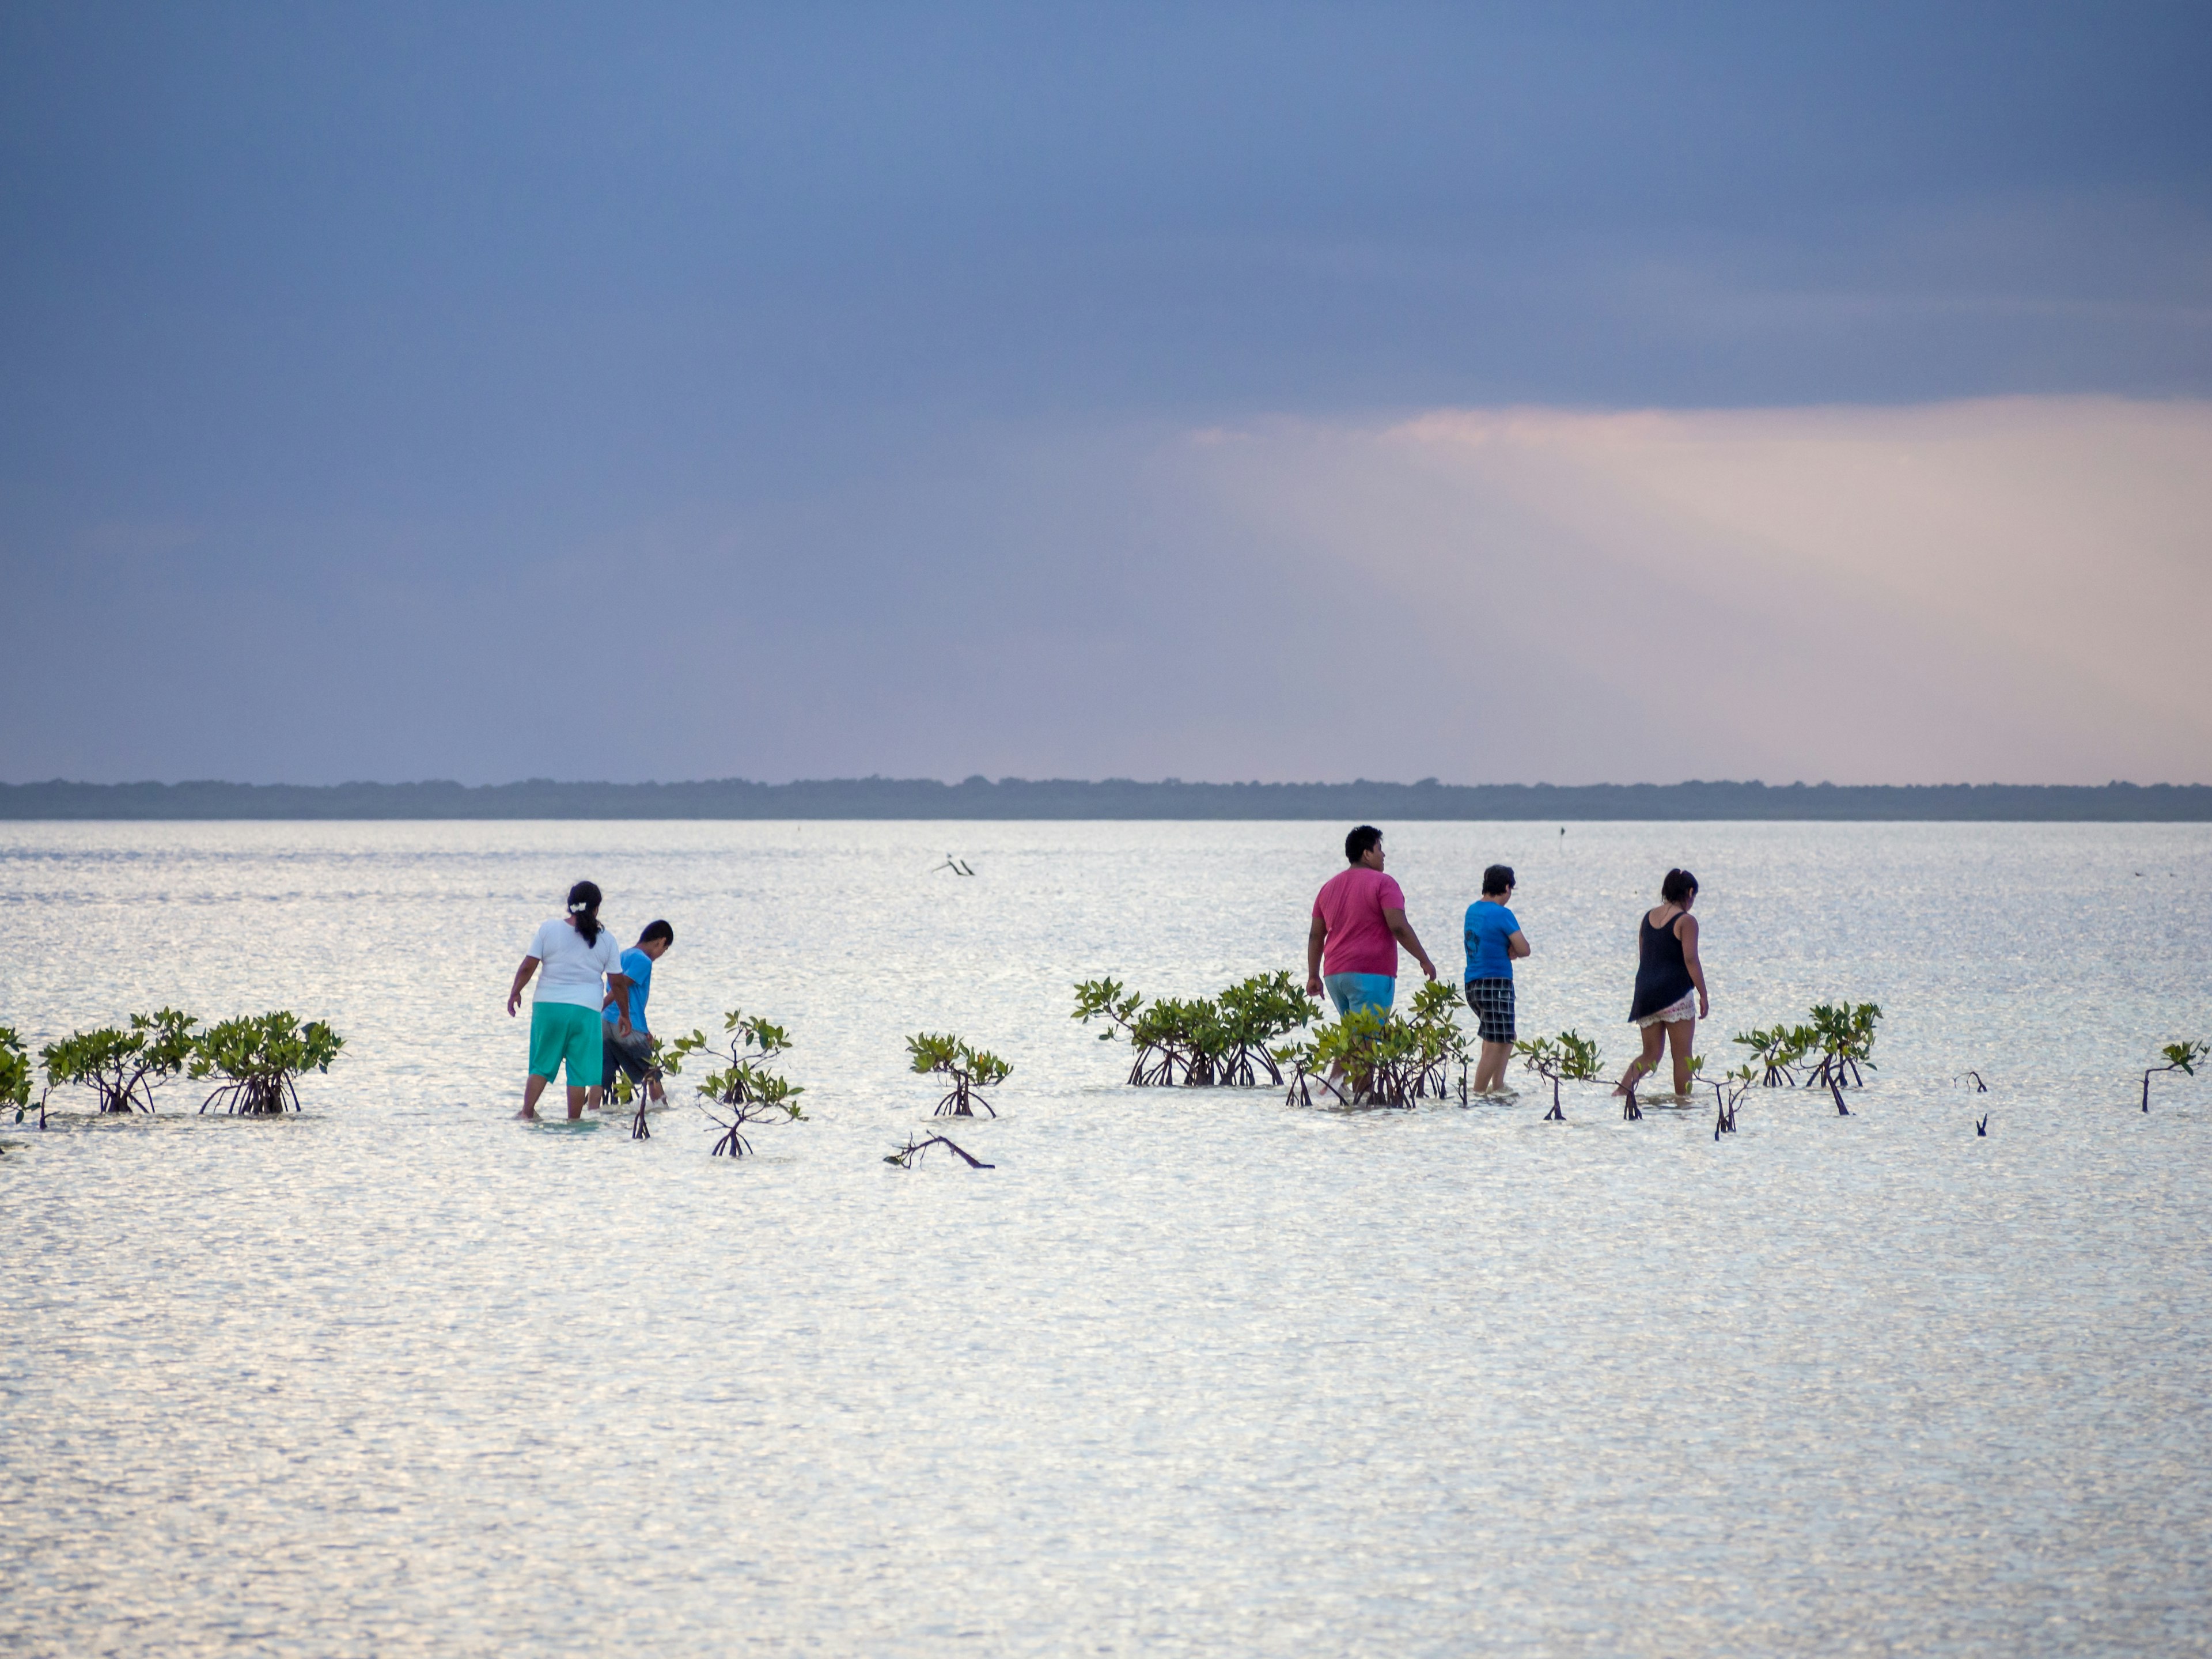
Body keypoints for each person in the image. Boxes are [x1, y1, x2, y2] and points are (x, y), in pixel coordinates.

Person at [506, 881, 635, 1121]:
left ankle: (526, 1114)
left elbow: (528, 967)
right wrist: (625, 1015)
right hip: (586, 1011)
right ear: (597, 909)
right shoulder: (607, 940)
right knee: (578, 1073)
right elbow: (617, 983)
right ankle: (574, 1123)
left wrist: (515, 992)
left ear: (570, 905)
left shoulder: (549, 929)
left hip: (549, 1007)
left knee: (541, 1065)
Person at [1306, 825, 1438, 1020]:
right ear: (1367, 854)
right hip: (1369, 974)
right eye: (1379, 849)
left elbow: (1316, 935)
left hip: (1335, 975)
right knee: (1370, 1042)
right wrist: (1424, 959)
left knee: (1353, 1042)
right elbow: (1398, 927)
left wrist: (1313, 975)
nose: (1383, 855)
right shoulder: (1384, 883)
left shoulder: (1328, 888)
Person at [1615, 868, 1709, 1099]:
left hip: (1646, 994)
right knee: (1683, 1056)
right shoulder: (1687, 921)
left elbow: (1644, 957)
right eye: (1693, 896)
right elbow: (1690, 959)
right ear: (1689, 892)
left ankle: (1620, 1093)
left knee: (1650, 1055)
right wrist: (1703, 994)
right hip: (1675, 994)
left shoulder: (1647, 918)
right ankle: (1683, 1104)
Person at [589, 919, 675, 1112]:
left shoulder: (622, 955)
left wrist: (599, 1012)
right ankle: (663, 1112)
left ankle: (591, 1113)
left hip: (605, 1024)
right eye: (665, 949)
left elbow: (624, 991)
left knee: (601, 1076)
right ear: (660, 942)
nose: (661, 954)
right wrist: (601, 1005)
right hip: (626, 1025)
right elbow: (622, 987)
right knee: (653, 1074)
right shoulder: (644, 961)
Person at [1463, 863, 1530, 1093]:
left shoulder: (1473, 910)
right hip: (1495, 983)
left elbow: (1486, 941)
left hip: (1473, 984)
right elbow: (1524, 949)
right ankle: (1479, 1092)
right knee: (1495, 1042)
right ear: (1507, 888)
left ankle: (1498, 1085)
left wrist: (1508, 948)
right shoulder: (1503, 914)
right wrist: (1513, 949)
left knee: (1505, 1035)